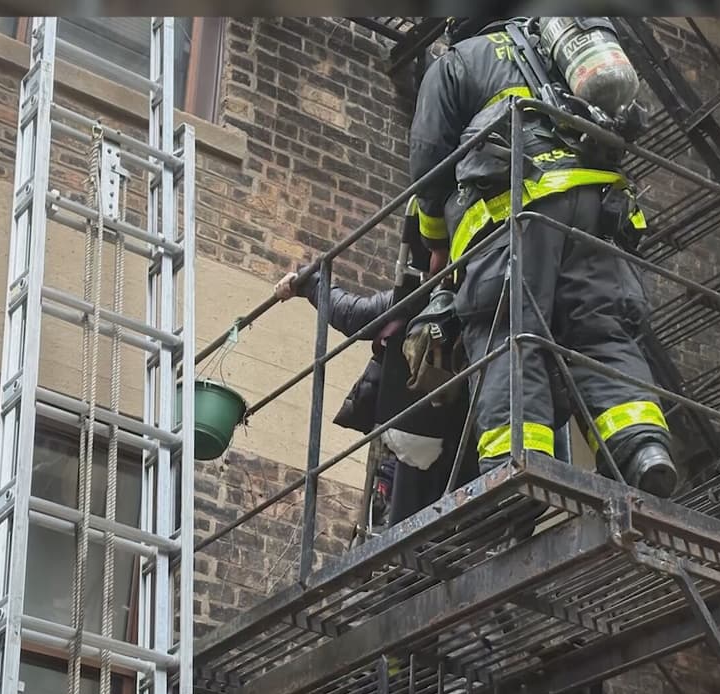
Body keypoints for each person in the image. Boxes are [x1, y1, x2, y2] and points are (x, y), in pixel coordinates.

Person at [407, 16, 679, 499]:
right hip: (597, 215)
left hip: (514, 212)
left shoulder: (458, 62)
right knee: (600, 332)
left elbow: (429, 167)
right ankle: (641, 450)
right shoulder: (557, 51)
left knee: (510, 332)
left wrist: (434, 244)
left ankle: (517, 465)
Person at [273, 209, 479, 527]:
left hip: (414, 432)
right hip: (462, 442)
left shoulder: (417, 298)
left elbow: (355, 315)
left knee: (405, 522)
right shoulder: (482, 300)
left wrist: (310, 283)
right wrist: (311, 285)